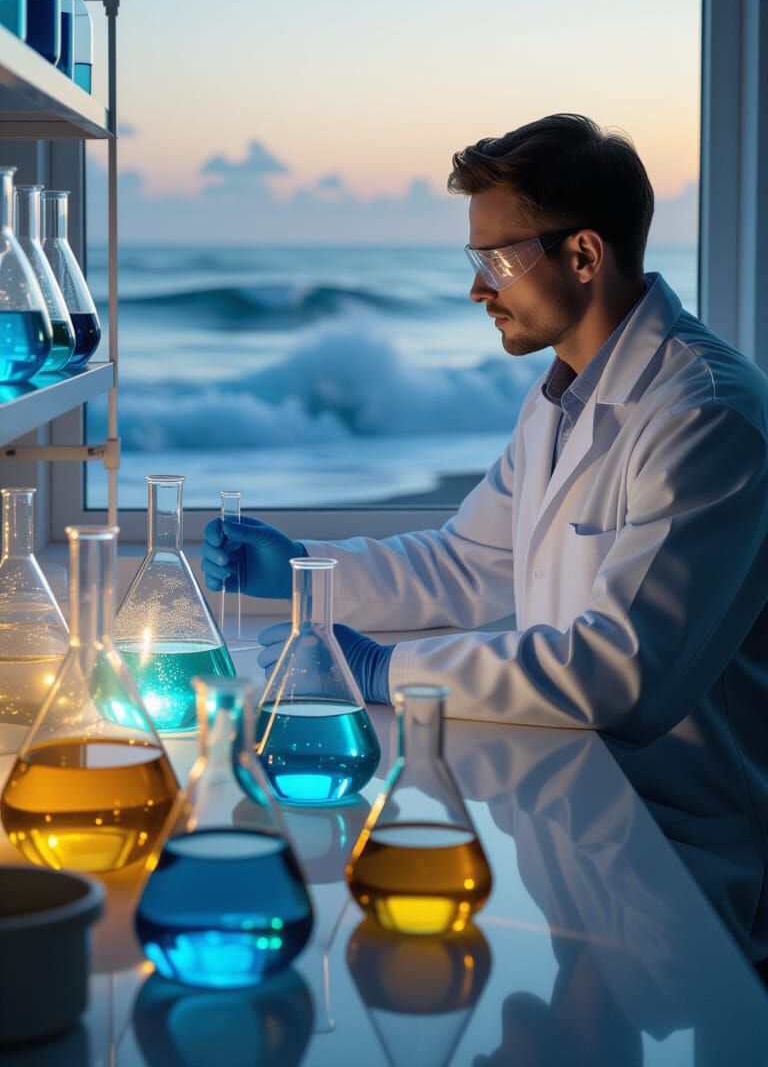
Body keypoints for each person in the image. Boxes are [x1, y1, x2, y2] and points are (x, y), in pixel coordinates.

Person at [202, 112, 768, 955]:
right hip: (581, 813)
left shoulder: (705, 413)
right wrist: (303, 576)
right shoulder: (565, 395)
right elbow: (467, 563)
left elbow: (620, 676)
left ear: (583, 255)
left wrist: (384, 669)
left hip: (679, 854)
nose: (478, 290)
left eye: (496, 260)